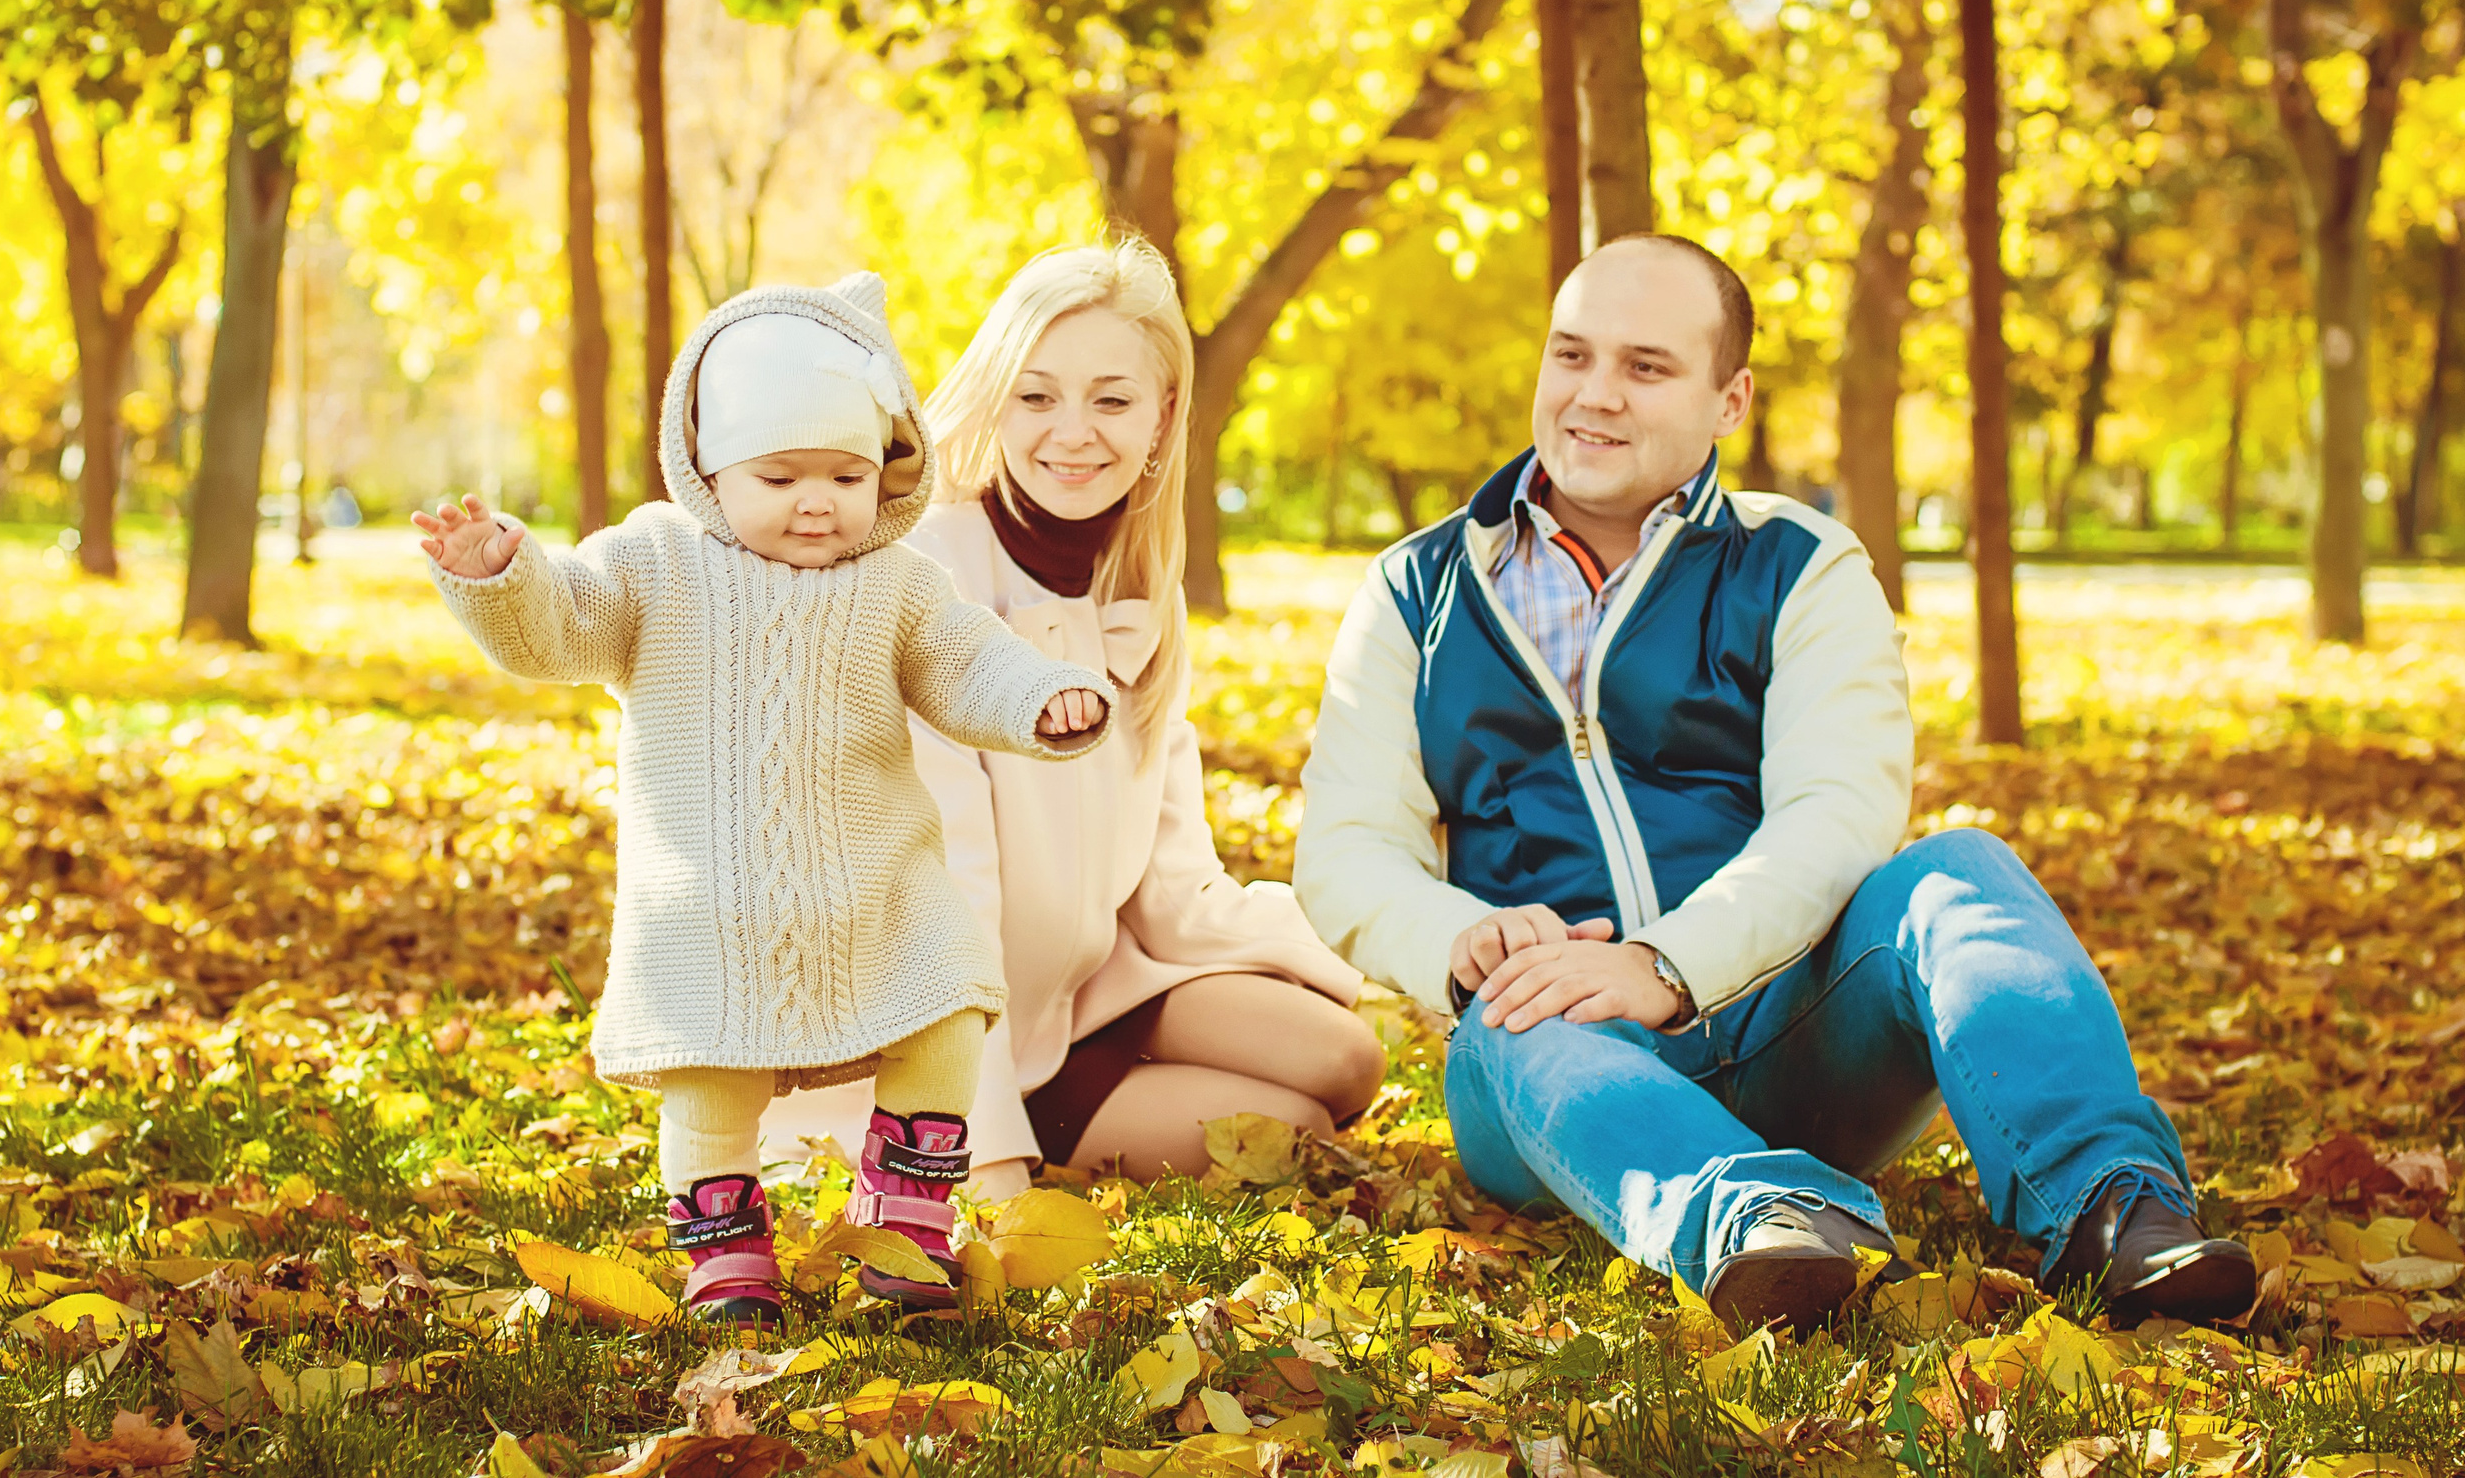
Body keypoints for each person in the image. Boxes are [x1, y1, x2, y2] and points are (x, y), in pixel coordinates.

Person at [1295, 233, 2257, 1333]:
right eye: (1570, 356)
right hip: (1551, 1059)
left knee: (1959, 867)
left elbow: (1837, 814)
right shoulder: (1414, 588)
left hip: (1793, 1027)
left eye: (1644, 367)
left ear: (1729, 398)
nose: (1591, 396)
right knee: (1519, 1011)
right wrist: (1457, 937)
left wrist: (1664, 964)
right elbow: (1345, 847)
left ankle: (2110, 1208)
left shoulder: (1802, 563)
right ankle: (1765, 1217)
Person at [412, 273, 1115, 1327]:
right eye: (780, 474)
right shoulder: (653, 562)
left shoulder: (898, 581)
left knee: (950, 1009)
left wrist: (1042, 697)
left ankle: (908, 1205)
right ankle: (726, 1246)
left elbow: (968, 661)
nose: (818, 500)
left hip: (877, 889)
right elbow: (558, 630)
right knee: (710, 1091)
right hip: (709, 907)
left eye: (844, 471)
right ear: (707, 464)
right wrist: (506, 579)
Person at [768, 241, 1382, 1191]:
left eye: (1112, 399)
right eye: (1038, 395)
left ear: (1164, 414)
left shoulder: (1142, 587)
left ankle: (1095, 1092)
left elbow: (1176, 880)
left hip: (1084, 991)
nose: (1073, 433)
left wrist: (1373, 951)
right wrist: (987, 1158)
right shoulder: (928, 578)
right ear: (997, 398)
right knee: (1292, 1131)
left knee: (1347, 1059)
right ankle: (1027, 1130)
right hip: (931, 1025)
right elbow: (942, 900)